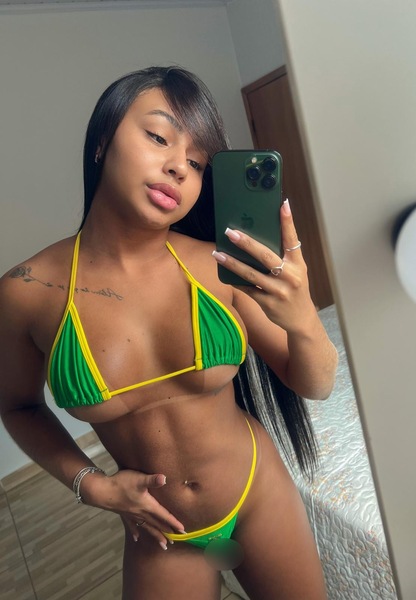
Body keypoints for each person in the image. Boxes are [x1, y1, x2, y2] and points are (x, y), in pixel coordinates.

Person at [0, 66, 338, 600]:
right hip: (162, 532)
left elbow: (315, 383)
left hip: (257, 491)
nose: (180, 166)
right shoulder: (27, 292)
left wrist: (302, 319)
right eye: (159, 137)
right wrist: (91, 485)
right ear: (101, 142)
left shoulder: (217, 266)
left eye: (198, 163)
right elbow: (17, 406)